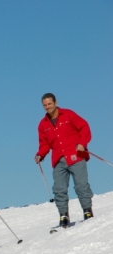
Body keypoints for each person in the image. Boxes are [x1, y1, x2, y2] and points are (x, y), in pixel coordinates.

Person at [35, 93, 93, 228]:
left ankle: (87, 211)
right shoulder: (43, 125)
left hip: (75, 156)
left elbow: (84, 127)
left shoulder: (68, 115)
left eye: (49, 104)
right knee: (59, 189)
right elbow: (44, 144)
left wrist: (82, 143)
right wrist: (40, 155)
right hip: (58, 160)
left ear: (55, 102)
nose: (47, 107)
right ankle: (63, 216)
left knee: (81, 185)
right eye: (45, 105)